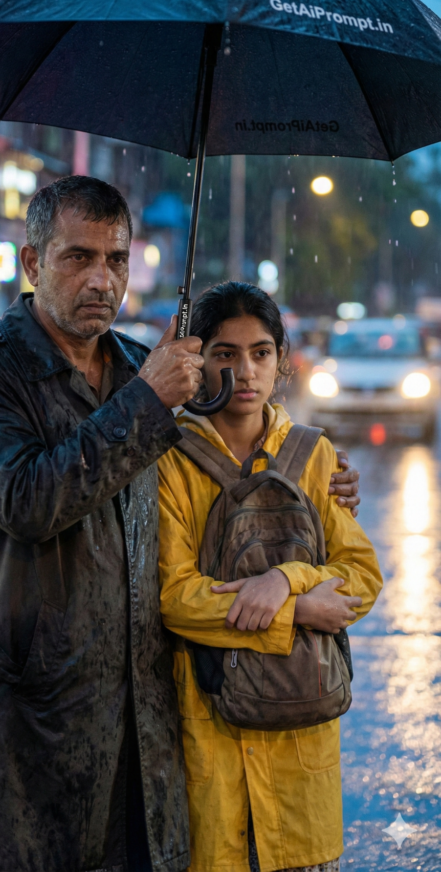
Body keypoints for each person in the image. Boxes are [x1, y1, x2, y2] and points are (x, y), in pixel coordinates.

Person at [0, 178, 361, 872]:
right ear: (32, 263)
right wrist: (143, 403)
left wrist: (321, 471)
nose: (101, 279)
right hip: (26, 717)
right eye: (78, 257)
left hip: (142, 720)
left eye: (117, 259)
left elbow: (234, 446)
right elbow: (27, 501)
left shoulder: (142, 364)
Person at [158, 281, 382, 872]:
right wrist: (298, 610)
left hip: (300, 747)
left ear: (282, 361)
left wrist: (285, 579)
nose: (244, 372)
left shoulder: (314, 455)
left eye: (260, 352)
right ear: (197, 361)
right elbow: (174, 596)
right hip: (210, 739)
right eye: (224, 354)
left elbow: (359, 574)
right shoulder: (168, 460)